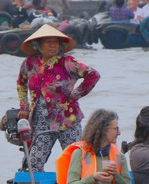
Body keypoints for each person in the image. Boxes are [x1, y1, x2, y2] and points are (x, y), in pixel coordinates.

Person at [16, 25, 100, 173]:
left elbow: (93, 75)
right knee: (34, 162)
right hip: (40, 121)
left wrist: (75, 95)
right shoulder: (30, 63)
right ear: (39, 44)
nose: (53, 45)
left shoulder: (67, 62)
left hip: (67, 119)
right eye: (48, 41)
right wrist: (24, 107)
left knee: (78, 158)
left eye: (56, 42)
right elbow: (21, 84)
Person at [56, 109, 133, 184]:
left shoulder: (119, 156)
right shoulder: (80, 153)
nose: (119, 133)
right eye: (116, 128)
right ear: (103, 130)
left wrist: (116, 176)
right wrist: (93, 178)